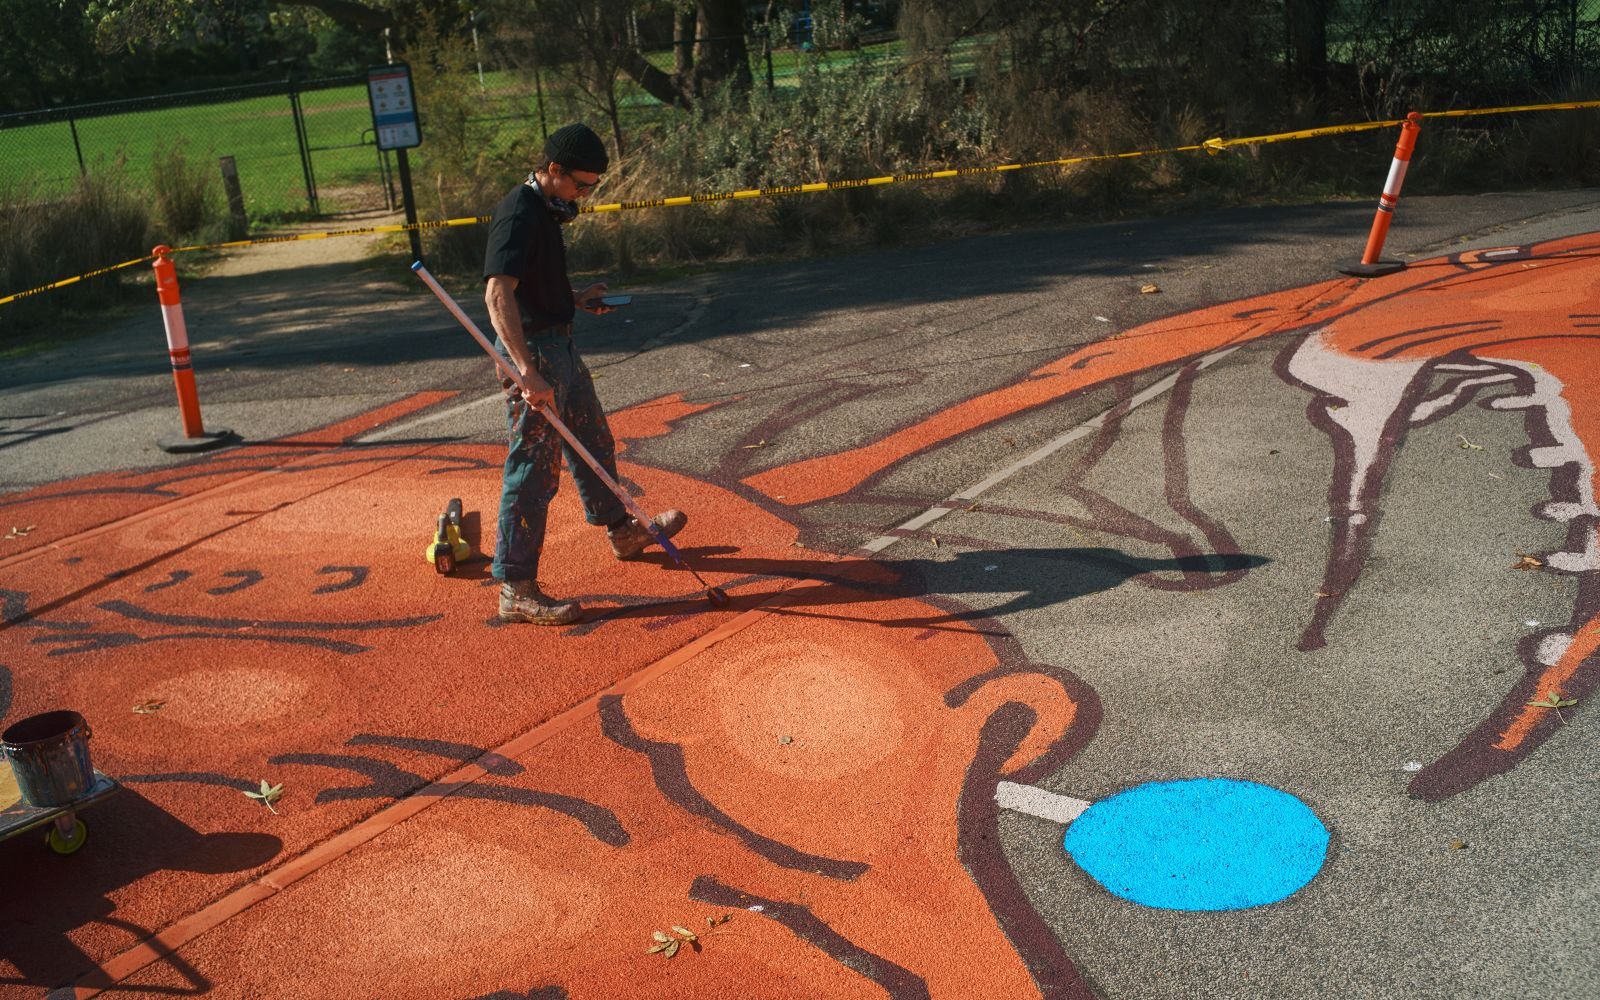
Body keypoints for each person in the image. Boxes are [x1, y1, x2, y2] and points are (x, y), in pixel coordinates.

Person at [482, 123, 686, 625]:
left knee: (594, 441)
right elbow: (497, 294)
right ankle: (515, 586)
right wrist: (526, 371)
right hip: (534, 355)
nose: (585, 195)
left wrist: (574, 300)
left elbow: (532, 286)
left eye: (592, 186)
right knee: (533, 469)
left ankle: (622, 530)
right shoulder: (518, 213)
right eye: (581, 184)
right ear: (554, 169)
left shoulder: (548, 210)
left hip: (560, 345)